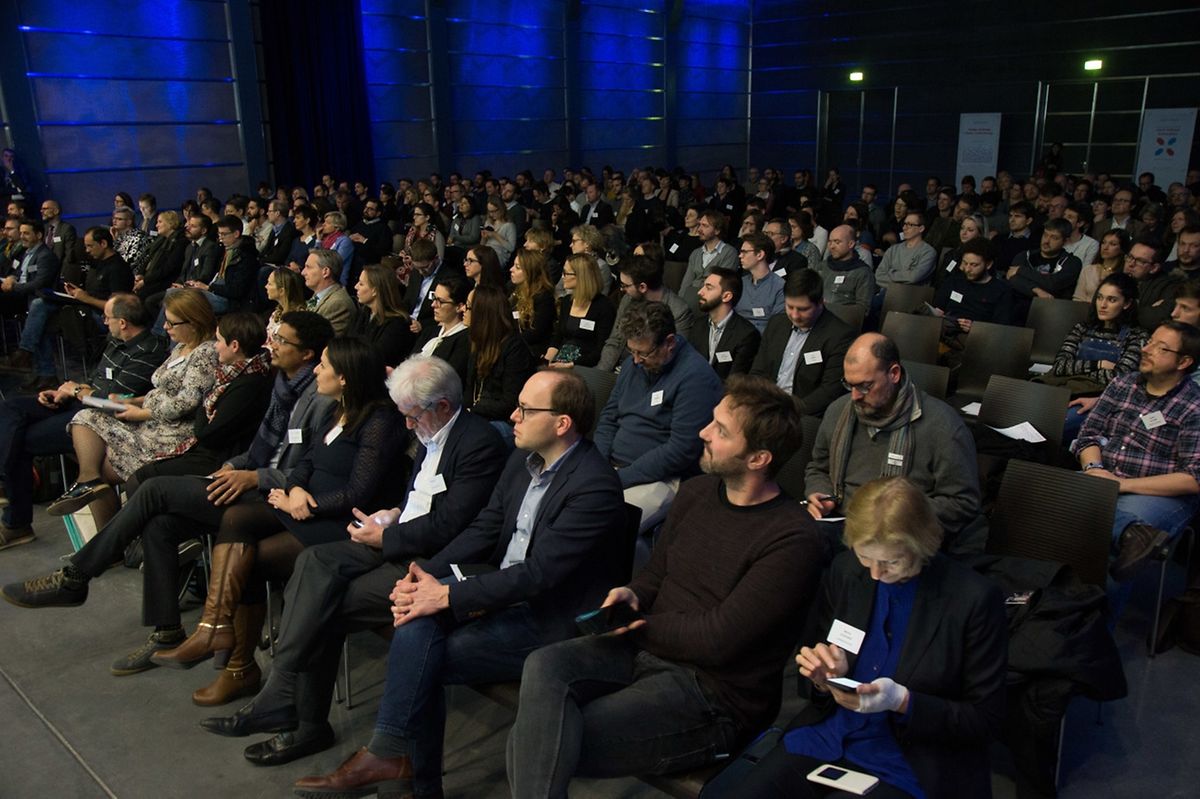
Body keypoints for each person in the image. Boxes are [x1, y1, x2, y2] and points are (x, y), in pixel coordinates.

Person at [222, 371, 625, 799]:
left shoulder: (593, 485)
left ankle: (402, 770)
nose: (513, 415)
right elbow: (486, 527)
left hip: (548, 618)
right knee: (414, 613)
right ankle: (401, 769)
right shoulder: (523, 462)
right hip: (501, 587)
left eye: (525, 409)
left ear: (562, 423)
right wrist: (426, 575)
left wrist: (447, 593)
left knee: (421, 653)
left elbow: (538, 575)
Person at [507, 376, 829, 797]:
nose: (703, 433)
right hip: (649, 649)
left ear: (758, 458)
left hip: (714, 693)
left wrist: (639, 623)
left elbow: (718, 639)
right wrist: (634, 594)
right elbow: (657, 574)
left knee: (545, 737)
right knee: (544, 667)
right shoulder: (697, 492)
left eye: (720, 430)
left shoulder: (793, 539)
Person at [198, 355, 506, 764]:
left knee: (324, 603)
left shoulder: (477, 443)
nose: (408, 425)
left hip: (427, 559)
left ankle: (299, 717)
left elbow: (453, 523)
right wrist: (391, 514)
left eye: (412, 416)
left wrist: (389, 535)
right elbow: (420, 498)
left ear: (443, 406)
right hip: (396, 536)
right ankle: (283, 693)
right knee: (313, 563)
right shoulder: (431, 429)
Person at [1, 313, 336, 679]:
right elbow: (257, 447)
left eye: (282, 341)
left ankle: (75, 576)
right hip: (242, 476)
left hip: (273, 497)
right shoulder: (282, 383)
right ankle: (165, 631)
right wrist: (235, 466)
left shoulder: (319, 399)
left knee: (153, 488)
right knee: (159, 523)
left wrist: (254, 476)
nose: (272, 344)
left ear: (307, 354)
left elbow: (310, 470)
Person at [149, 337, 408, 691]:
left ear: (345, 376)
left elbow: (358, 493)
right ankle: (214, 628)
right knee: (237, 518)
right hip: (307, 506)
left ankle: (237, 666)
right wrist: (295, 489)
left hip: (342, 522)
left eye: (324, 365)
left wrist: (303, 503)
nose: (315, 371)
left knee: (251, 561)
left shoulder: (380, 421)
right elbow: (306, 462)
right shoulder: (337, 410)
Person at [738, 477, 1007, 799]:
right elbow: (813, 664)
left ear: (922, 545)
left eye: (892, 562)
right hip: (832, 733)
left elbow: (985, 721)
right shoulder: (848, 572)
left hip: (912, 756)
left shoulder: (972, 600)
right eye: (866, 557)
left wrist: (902, 701)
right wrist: (824, 678)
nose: (877, 574)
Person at [0, 294, 169, 550]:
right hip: (78, 402)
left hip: (99, 418)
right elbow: (94, 381)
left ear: (123, 322)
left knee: (21, 439)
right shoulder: (115, 342)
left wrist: (78, 391)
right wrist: (65, 391)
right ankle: (4, 480)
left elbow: (115, 400)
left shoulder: (148, 352)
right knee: (10, 407)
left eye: (108, 317)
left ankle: (17, 523)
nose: (104, 321)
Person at [47, 289, 219, 526]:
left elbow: (186, 402)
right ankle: (89, 483)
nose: (165, 327)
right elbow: (161, 391)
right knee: (86, 418)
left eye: (171, 323)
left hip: (171, 434)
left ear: (194, 322)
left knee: (100, 466)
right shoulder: (180, 347)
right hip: (151, 422)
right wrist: (133, 401)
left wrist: (142, 412)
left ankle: (93, 493)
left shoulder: (205, 353)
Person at [805, 333, 985, 554]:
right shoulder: (838, 411)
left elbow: (962, 503)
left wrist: (896, 512)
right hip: (840, 524)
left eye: (865, 386)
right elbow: (819, 468)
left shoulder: (943, 427)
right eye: (849, 385)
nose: (855, 396)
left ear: (894, 373)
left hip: (901, 539)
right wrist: (820, 493)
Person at [1073, 321, 1200, 587]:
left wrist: (1121, 484)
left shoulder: (1193, 405)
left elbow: (1193, 478)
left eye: (1160, 348)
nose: (1146, 349)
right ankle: (1130, 531)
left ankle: (1094, 612)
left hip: (1157, 492)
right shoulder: (1123, 383)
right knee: (1039, 496)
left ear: (1183, 361)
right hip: (1104, 475)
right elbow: (1088, 434)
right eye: (1150, 341)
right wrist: (1094, 468)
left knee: (1104, 538)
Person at [593, 301, 723, 534]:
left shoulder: (696, 377)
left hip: (660, 478)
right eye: (631, 351)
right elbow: (609, 418)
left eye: (643, 353)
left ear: (669, 343)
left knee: (601, 526)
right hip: (611, 469)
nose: (635, 360)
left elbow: (681, 449)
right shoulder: (634, 364)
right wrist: (599, 465)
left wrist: (619, 478)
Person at [750, 269, 855, 415]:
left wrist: (787, 411)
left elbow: (829, 391)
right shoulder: (776, 324)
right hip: (766, 405)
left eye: (803, 309)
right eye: (789, 307)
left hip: (802, 413)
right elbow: (758, 371)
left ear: (820, 303)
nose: (794, 315)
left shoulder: (840, 336)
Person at [598, 255, 696, 372]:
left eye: (625, 285)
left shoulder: (679, 311)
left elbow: (674, 355)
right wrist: (601, 372)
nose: (622, 289)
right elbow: (615, 340)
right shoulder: (628, 299)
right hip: (620, 366)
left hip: (651, 369)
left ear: (642, 287)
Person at [465, 284, 537, 425]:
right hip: (477, 415)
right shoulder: (477, 342)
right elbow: (469, 389)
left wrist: (471, 410)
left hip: (504, 421)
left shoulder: (514, 348)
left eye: (468, 306)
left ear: (481, 313)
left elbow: (510, 403)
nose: (463, 309)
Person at [687, 265, 761, 380]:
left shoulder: (747, 334)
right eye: (703, 286)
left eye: (709, 288)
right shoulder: (698, 325)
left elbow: (735, 381)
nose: (700, 292)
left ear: (726, 296)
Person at [545, 253, 616, 367]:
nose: (562, 277)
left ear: (581, 276)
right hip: (561, 360)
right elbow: (558, 336)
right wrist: (548, 359)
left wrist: (571, 365)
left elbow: (600, 349)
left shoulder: (604, 306)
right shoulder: (567, 301)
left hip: (585, 365)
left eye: (566, 273)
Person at [351, 263, 416, 365]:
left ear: (375, 290)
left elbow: (376, 358)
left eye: (361, 284)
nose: (355, 287)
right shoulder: (363, 313)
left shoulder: (398, 324)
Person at [413, 273, 471, 385]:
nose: (433, 305)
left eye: (440, 301)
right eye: (434, 298)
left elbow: (448, 377)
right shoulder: (430, 332)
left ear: (459, 307)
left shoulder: (465, 340)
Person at [679, 210, 737, 312]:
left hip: (712, 303)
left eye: (705, 226)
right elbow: (686, 283)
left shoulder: (729, 253)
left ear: (717, 230)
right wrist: (679, 304)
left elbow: (722, 285)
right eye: (699, 225)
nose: (699, 229)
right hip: (690, 300)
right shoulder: (696, 253)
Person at [814, 224, 876, 314]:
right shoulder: (822, 266)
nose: (832, 246)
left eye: (837, 242)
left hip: (843, 319)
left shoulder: (863, 273)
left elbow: (863, 310)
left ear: (851, 244)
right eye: (830, 242)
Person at [1123, 238, 1181, 331]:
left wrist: (1122, 310)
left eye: (1140, 261)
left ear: (1154, 268)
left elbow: (1155, 320)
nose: (1131, 264)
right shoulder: (1116, 278)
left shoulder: (1169, 286)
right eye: (1130, 257)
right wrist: (1143, 309)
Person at [509, 247, 556, 359]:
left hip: (532, 351)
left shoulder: (544, 298)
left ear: (531, 271)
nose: (511, 269)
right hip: (515, 345)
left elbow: (536, 333)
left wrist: (509, 342)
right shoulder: (514, 292)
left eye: (517, 267)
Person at [735, 232, 786, 334]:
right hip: (737, 335)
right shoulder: (740, 283)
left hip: (763, 338)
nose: (740, 256)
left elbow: (777, 324)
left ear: (760, 255)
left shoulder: (780, 286)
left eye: (744, 252)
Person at [134, 210, 187, 301]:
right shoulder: (160, 241)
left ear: (170, 223)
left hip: (165, 281)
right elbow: (148, 258)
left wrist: (145, 281)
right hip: (152, 279)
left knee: (142, 297)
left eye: (160, 222)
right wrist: (140, 274)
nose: (156, 225)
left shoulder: (179, 242)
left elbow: (168, 268)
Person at [301, 249, 355, 336]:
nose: (303, 272)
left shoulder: (339, 303)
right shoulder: (318, 294)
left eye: (308, 267)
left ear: (325, 272)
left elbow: (321, 340)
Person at [874, 211, 937, 285]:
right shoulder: (893, 249)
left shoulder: (928, 252)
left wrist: (890, 272)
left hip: (911, 292)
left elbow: (913, 277)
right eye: (904, 224)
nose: (904, 228)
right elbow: (878, 275)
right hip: (887, 291)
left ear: (921, 228)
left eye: (910, 225)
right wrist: (903, 278)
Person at [1074, 228, 1131, 303]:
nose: (1105, 247)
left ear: (1122, 248)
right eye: (1103, 243)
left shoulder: (1125, 273)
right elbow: (1078, 298)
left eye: (1113, 244)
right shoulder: (1088, 270)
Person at [265, 266, 306, 340]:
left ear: (281, 291)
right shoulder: (276, 313)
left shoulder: (297, 317)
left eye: (269, 284)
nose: (266, 286)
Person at [480, 194, 517, 265]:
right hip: (486, 252)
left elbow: (511, 248)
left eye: (494, 211)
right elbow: (482, 245)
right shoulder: (488, 222)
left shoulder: (509, 225)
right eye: (489, 211)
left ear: (501, 209)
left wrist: (495, 235)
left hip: (499, 255)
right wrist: (484, 238)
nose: (491, 214)